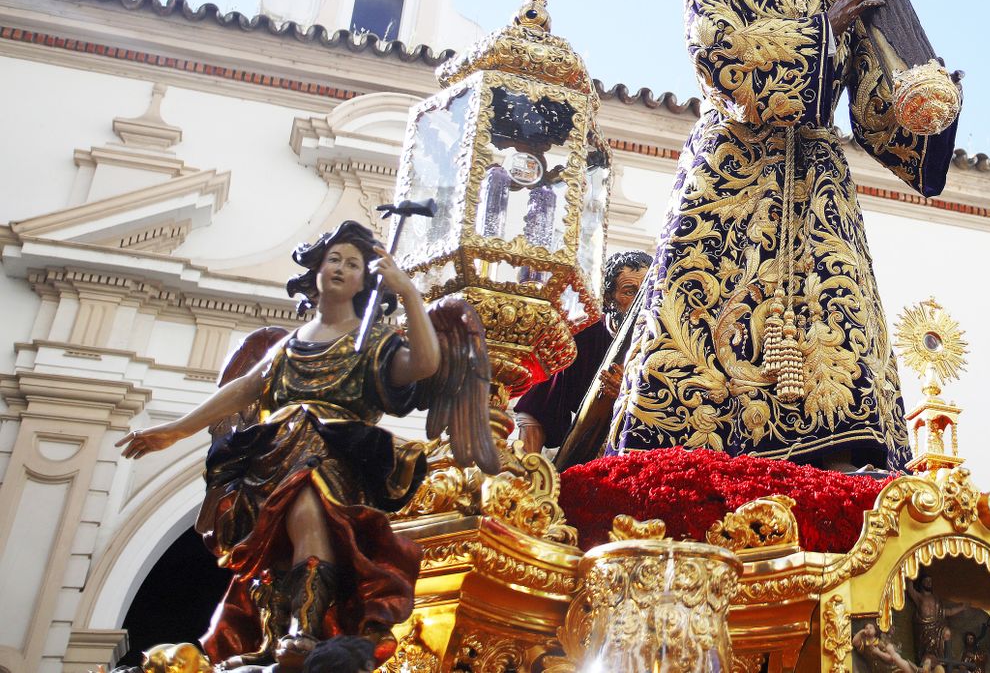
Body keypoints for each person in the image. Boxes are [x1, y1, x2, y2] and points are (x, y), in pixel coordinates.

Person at [605, 0, 959, 471]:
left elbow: (871, 95)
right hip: (732, 171)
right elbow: (721, 55)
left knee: (838, 302)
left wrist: (920, 101)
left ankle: (845, 455)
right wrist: (827, 29)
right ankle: (683, 450)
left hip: (818, 175)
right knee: (705, 306)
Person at [117, 221, 439, 667]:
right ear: (317, 270)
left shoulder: (378, 341)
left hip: (333, 452)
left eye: (354, 264)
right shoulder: (290, 344)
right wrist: (176, 430)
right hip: (272, 454)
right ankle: (272, 638)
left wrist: (409, 294)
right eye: (334, 260)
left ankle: (304, 630)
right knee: (270, 546)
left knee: (308, 510)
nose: (342, 269)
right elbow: (246, 388)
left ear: (368, 280)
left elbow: (424, 363)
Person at [513, 250, 650, 453]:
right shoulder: (583, 336)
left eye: (646, 292)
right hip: (588, 452)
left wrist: (629, 392)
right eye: (630, 292)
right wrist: (529, 473)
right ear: (608, 298)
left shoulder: (662, 342)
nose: (640, 302)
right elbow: (538, 407)